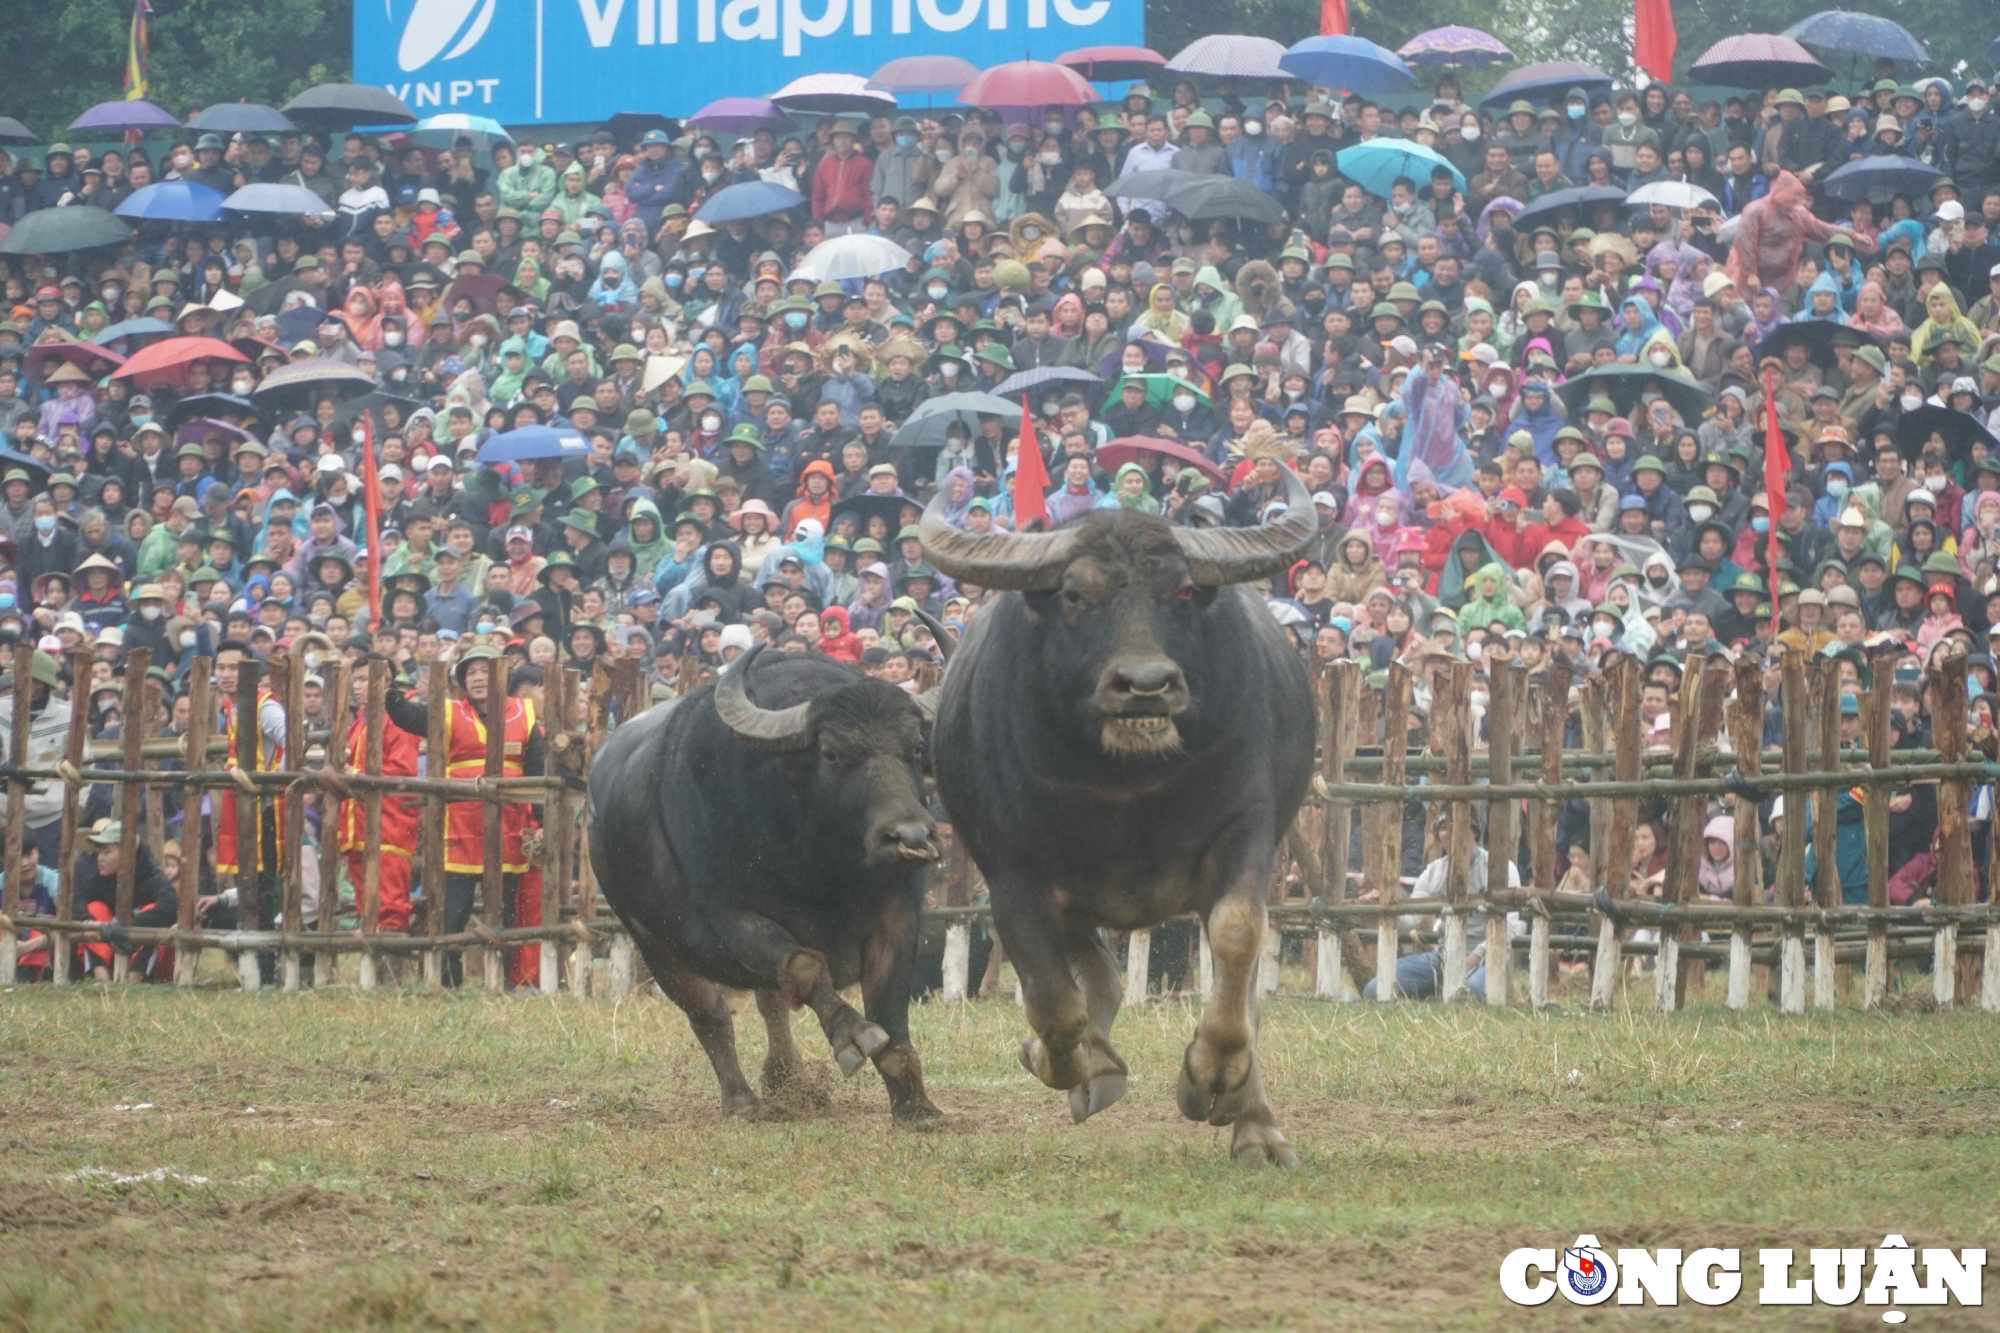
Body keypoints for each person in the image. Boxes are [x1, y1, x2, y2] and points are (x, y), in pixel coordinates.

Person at [383, 645, 544, 988]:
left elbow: (536, 770)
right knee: (453, 909)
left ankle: (504, 982)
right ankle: (449, 982)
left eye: (485, 671)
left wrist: (540, 823)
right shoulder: (449, 711)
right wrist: (391, 695)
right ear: (462, 681)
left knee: (505, 911)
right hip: (460, 826)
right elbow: (408, 717)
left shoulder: (524, 713)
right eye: (471, 673)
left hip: (510, 827)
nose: (479, 678)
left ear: (500, 676)